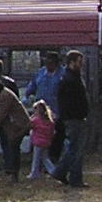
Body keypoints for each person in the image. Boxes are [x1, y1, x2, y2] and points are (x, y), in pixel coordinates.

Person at [51, 50, 91, 187]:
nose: (81, 65)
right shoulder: (69, 79)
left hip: (76, 117)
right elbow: (68, 102)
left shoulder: (73, 77)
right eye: (79, 62)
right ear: (71, 62)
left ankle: (61, 172)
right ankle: (72, 177)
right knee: (76, 149)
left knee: (74, 148)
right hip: (74, 118)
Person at [0, 73, 31, 180]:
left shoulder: (5, 95)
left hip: (19, 124)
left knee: (13, 147)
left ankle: (14, 174)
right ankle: (12, 173)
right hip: (12, 125)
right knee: (12, 147)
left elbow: (1, 114)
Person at [28, 99, 56, 178]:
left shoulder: (36, 120)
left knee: (36, 158)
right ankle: (53, 170)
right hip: (46, 142)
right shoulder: (49, 121)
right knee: (45, 158)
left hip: (38, 142)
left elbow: (29, 124)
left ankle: (34, 173)